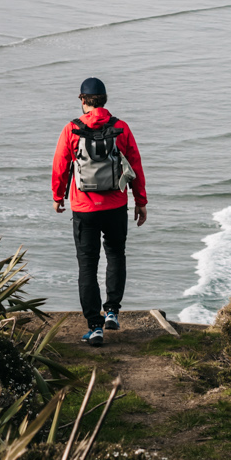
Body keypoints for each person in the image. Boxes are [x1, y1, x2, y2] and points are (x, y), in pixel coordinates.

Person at [52, 76, 148, 345]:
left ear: (83, 100)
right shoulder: (121, 128)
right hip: (116, 205)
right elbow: (135, 166)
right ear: (104, 100)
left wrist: (57, 196)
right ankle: (113, 312)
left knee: (87, 265)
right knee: (116, 255)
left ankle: (94, 326)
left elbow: (60, 165)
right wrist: (141, 201)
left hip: (84, 208)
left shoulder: (72, 129)